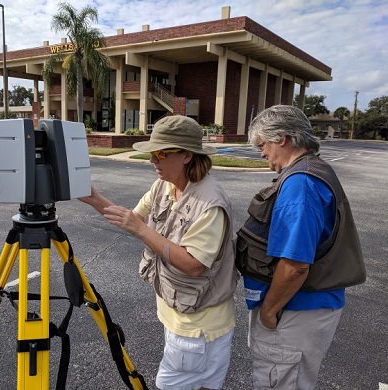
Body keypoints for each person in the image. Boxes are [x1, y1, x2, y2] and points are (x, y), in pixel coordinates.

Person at [79, 115, 239, 390]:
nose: (153, 159)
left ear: (187, 155)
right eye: (153, 153)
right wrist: (94, 198)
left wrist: (142, 231)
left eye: (161, 153)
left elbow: (194, 265)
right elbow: (133, 218)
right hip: (180, 316)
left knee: (170, 385)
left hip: (198, 326)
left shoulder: (210, 203)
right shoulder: (164, 186)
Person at [236, 105, 366, 390]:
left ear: (281, 138)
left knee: (281, 382)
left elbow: (295, 266)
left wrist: (269, 311)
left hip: (295, 309)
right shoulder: (315, 170)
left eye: (262, 144)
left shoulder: (301, 183)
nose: (261, 153)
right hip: (310, 306)